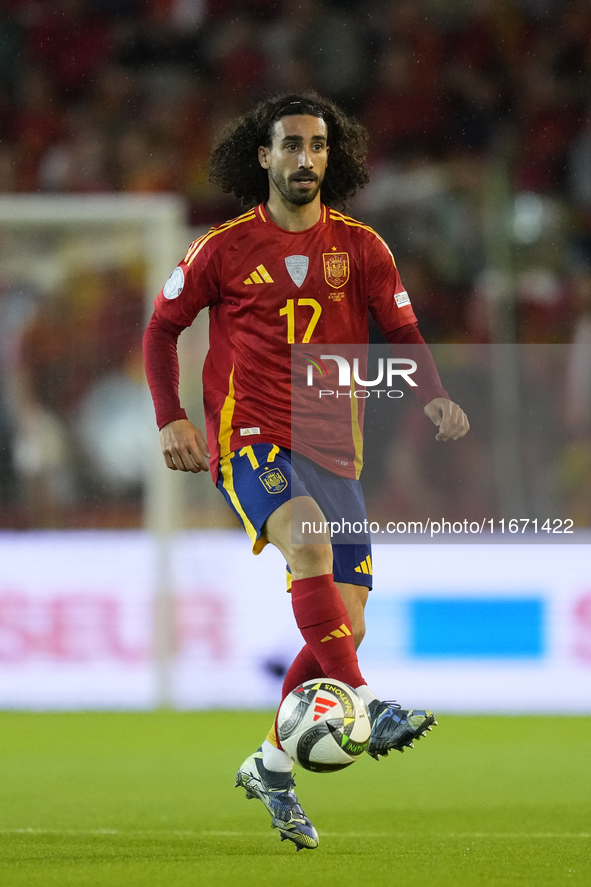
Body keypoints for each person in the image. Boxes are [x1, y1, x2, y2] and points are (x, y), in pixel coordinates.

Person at [143, 91, 469, 852]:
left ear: (333, 155)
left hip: (335, 449)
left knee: (344, 626)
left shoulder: (359, 247)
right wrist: (173, 417)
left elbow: (403, 329)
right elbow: (162, 330)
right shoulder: (221, 249)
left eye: (316, 146)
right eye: (289, 145)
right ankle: (363, 700)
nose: (303, 159)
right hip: (249, 439)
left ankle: (269, 762)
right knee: (312, 545)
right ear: (263, 156)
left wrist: (434, 399)